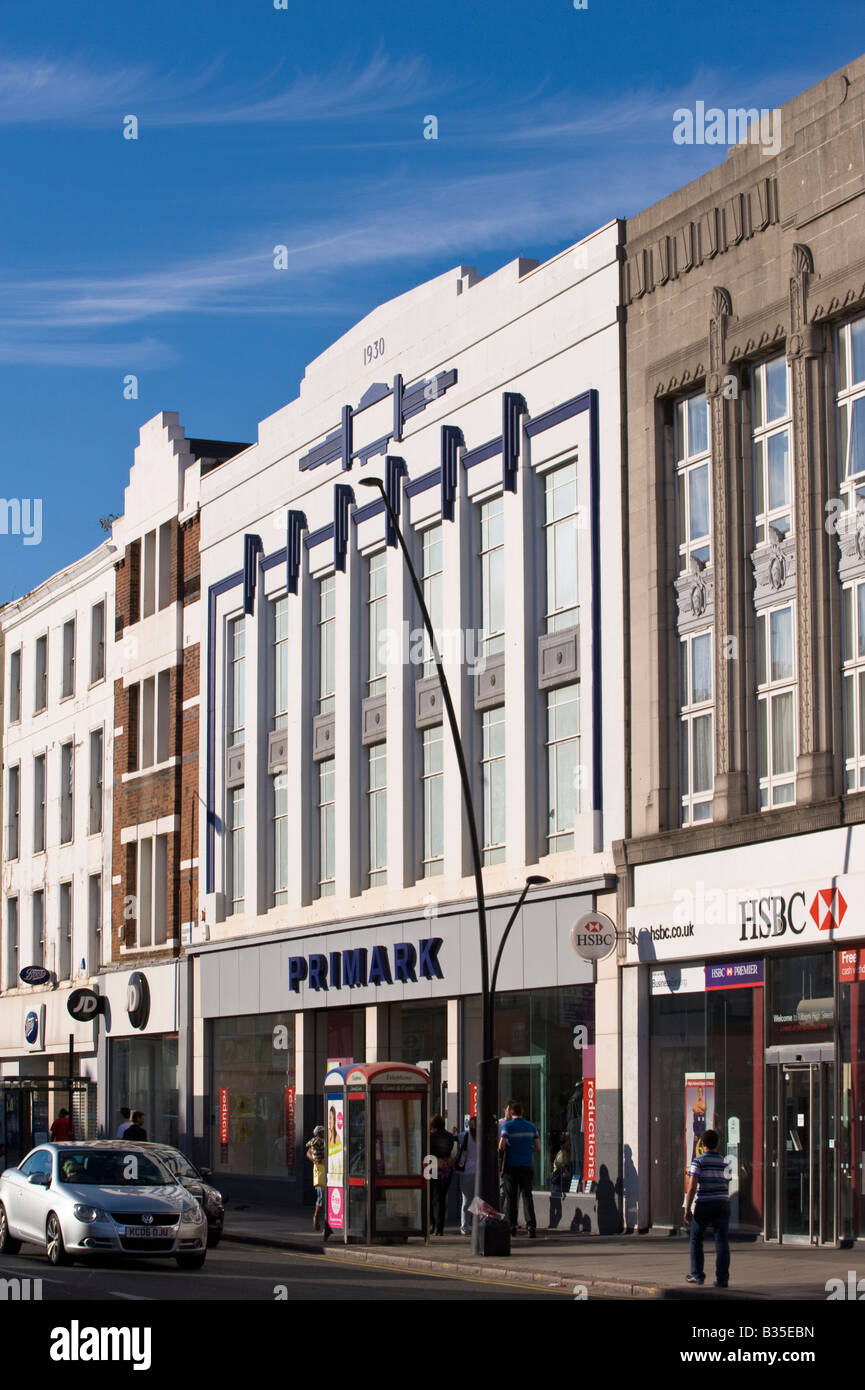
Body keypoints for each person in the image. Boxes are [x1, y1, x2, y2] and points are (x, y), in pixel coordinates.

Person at [684, 1128, 731, 1288]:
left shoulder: (698, 1161)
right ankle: (723, 1279)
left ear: (702, 1144)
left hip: (704, 1203)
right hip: (722, 1203)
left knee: (696, 1238)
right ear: (717, 1144)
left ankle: (697, 1275)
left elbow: (691, 1186)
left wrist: (687, 1208)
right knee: (722, 1241)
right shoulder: (725, 1161)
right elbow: (727, 1182)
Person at [498, 1099, 540, 1238]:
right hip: (526, 1165)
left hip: (511, 1167)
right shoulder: (531, 1126)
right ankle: (531, 1225)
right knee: (527, 1196)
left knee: (511, 1197)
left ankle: (511, 1226)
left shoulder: (507, 1126)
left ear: (511, 1112)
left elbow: (501, 1145)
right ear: (522, 1112)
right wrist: (528, 1148)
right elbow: (538, 1147)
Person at [428, 1114, 456, 1236]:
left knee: (429, 1196)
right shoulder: (450, 1137)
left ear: (432, 1124)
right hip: (445, 1168)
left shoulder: (431, 1137)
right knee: (441, 1197)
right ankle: (440, 1228)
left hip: (432, 1166)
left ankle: (431, 1223)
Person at [454, 1117, 477, 1237]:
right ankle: (478, 1224)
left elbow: (456, 1137)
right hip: (480, 1172)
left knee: (466, 1200)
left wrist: (455, 1133)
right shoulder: (483, 1136)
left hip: (467, 1171)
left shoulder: (465, 1136)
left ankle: (464, 1227)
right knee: (478, 1200)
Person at [306, 1125, 326, 1233]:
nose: (324, 1133)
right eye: (322, 1132)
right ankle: (316, 1216)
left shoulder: (325, 1141)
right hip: (320, 1172)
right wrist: (314, 1159)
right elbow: (308, 1152)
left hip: (328, 1171)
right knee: (321, 1196)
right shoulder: (317, 1142)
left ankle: (326, 1226)